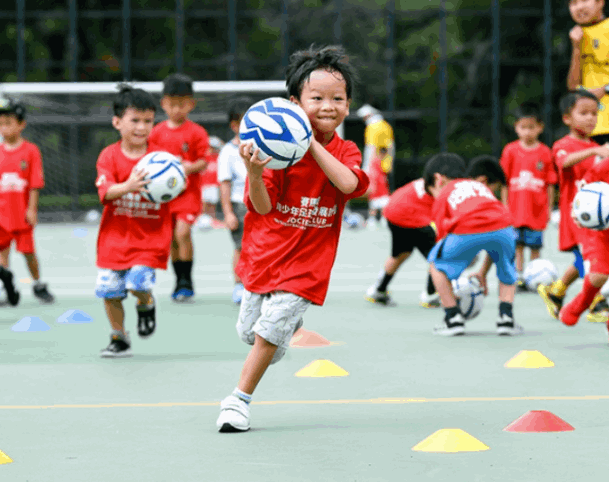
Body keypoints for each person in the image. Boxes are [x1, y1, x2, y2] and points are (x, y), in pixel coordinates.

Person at [216, 45, 369, 433]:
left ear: (348, 106)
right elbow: (262, 207)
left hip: (308, 263)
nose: (327, 106)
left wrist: (310, 142)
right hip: (265, 254)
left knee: (270, 328)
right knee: (251, 333)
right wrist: (253, 172)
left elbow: (350, 183)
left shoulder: (345, 150)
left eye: (337, 98)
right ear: (295, 103)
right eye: (316, 98)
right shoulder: (275, 154)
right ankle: (277, 336)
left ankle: (238, 400)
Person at [94, 86, 173, 358]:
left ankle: (146, 302)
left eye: (148, 121)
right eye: (135, 120)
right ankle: (119, 337)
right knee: (109, 290)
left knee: (139, 282)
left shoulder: (161, 159)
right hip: (114, 239)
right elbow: (105, 192)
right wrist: (128, 185)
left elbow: (177, 187)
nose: (142, 127)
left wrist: (177, 181)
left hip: (149, 239)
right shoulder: (108, 156)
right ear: (117, 122)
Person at [427, 155, 522, 337]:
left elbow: (441, 232)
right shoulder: (482, 188)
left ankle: (452, 318)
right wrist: (482, 271)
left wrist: (457, 257)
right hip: (503, 226)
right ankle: (506, 318)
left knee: (435, 265)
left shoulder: (447, 190)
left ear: (440, 180)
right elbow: (492, 240)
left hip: (465, 228)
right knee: (508, 268)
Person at [538, 90, 609, 322]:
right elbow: (564, 162)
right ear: (567, 118)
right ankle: (595, 303)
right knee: (591, 261)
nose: (591, 118)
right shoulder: (564, 144)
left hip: (599, 218)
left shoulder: (598, 147)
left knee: (585, 259)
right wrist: (594, 151)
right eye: (583, 113)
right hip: (577, 216)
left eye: (594, 113)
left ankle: (557, 292)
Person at [364, 157, 459, 308]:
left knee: (401, 254)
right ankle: (430, 295)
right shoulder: (438, 190)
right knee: (437, 256)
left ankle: (378, 290)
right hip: (406, 216)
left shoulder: (430, 181)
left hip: (393, 213)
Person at [149, 73, 210, 302]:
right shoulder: (156, 132)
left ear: (191, 104)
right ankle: (179, 281)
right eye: (172, 104)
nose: (176, 109)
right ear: (163, 103)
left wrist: (186, 167)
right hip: (165, 197)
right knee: (172, 239)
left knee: (183, 233)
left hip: (188, 194)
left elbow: (204, 160)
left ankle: (187, 280)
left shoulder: (196, 132)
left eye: (182, 104)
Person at [0, 97, 54, 304]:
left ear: (21, 124)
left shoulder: (30, 151)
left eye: (8, 123)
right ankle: (8, 289)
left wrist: (32, 209)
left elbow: (35, 183)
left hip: (21, 214)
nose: (4, 128)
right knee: (3, 254)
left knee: (28, 253)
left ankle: (38, 284)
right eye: (1, 124)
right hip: (2, 215)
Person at [499, 104, 556, 291]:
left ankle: (535, 276)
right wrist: (504, 206)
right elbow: (504, 182)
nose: (527, 131)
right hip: (515, 210)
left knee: (535, 246)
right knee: (517, 246)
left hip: (536, 210)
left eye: (531, 127)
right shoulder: (510, 151)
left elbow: (550, 183)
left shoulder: (545, 152)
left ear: (540, 127)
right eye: (523, 127)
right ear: (516, 127)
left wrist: (549, 208)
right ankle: (520, 276)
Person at [217, 97, 251, 304]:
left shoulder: (266, 146)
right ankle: (239, 285)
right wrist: (228, 213)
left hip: (262, 204)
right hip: (240, 205)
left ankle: (259, 285)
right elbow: (225, 184)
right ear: (234, 125)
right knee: (240, 248)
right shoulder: (228, 152)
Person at [567, 0, 609, 144]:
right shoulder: (576, 34)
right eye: (573, 3)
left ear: (600, 2)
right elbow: (573, 87)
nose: (579, 7)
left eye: (584, 0)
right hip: (589, 128)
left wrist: (605, 89)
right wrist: (576, 48)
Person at [356, 103, 394, 228]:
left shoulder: (372, 128)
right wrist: (389, 162)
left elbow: (370, 148)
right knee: (383, 190)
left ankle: (373, 218)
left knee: (374, 191)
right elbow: (390, 146)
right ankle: (383, 218)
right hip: (384, 163)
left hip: (375, 163)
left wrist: (367, 166)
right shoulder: (386, 126)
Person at [199, 135, 224, 228]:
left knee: (212, 205)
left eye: (213, 147)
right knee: (204, 204)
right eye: (210, 147)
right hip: (204, 184)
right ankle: (200, 220)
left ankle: (212, 220)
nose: (212, 149)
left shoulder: (219, 157)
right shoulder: (205, 157)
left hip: (214, 185)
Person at [365, 146, 391, 230]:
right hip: (375, 187)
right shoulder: (374, 162)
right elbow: (372, 175)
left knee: (385, 205)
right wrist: (372, 185)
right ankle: (371, 221)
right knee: (373, 206)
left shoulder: (383, 162)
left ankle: (384, 220)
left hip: (383, 187)